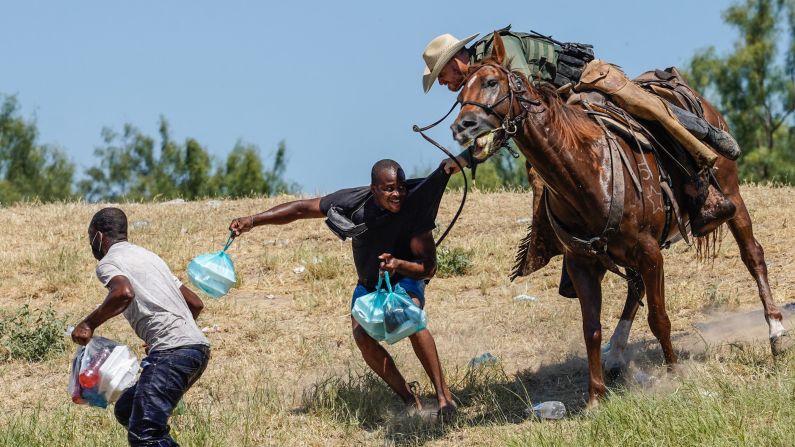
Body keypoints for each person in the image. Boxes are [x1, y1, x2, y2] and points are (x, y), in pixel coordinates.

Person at [422, 27, 740, 237]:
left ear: (457, 60)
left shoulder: (499, 50)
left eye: (441, 73)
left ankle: (702, 179)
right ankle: (567, 240)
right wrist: (465, 158)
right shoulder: (479, 83)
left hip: (584, 82)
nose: (442, 83)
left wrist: (475, 150)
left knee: (646, 112)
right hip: (557, 110)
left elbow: (523, 99)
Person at [228, 158, 464, 417]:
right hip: (369, 285)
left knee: (409, 319)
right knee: (362, 337)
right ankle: (409, 399)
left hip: (405, 278)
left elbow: (429, 267)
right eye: (388, 189)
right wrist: (254, 220)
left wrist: (398, 264)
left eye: (401, 188)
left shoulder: (414, 209)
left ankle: (444, 399)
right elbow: (300, 209)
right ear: (374, 189)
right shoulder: (353, 202)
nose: (397, 194)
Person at [71, 207, 210, 447]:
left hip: (173, 352)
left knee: (146, 435)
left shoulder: (109, 262)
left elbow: (123, 293)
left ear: (98, 236)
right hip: (196, 349)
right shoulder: (149, 257)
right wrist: (168, 333)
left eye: (90, 237)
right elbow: (195, 304)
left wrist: (88, 323)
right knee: (127, 409)